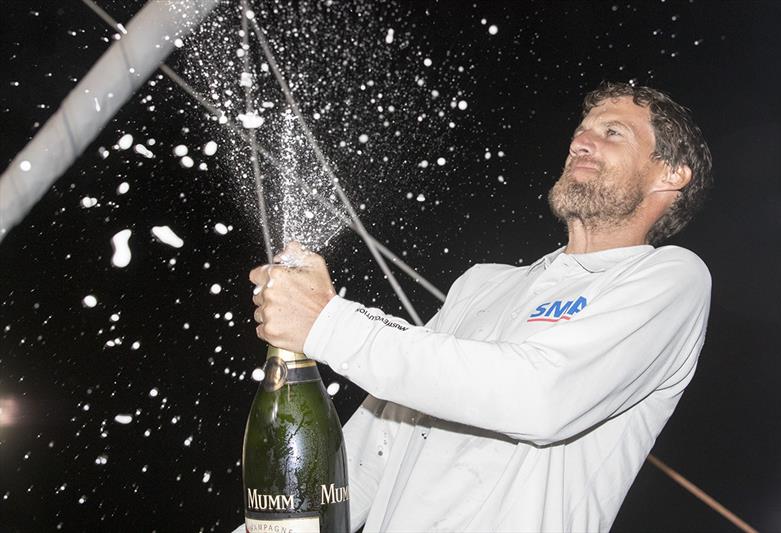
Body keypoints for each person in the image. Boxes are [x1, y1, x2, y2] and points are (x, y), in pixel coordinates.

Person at [248, 81, 713, 532]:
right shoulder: (482, 284)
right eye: (580, 131)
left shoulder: (670, 278)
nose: (581, 142)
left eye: (613, 132)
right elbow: (373, 450)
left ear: (671, 173)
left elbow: (540, 398)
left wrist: (327, 322)